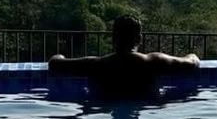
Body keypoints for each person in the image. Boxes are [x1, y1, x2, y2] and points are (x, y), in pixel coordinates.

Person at [48, 15, 200, 100]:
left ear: (113, 38)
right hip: (148, 108)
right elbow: (192, 63)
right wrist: (192, 55)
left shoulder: (96, 65)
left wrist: (59, 55)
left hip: (101, 108)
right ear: (139, 39)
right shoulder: (154, 62)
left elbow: (55, 64)